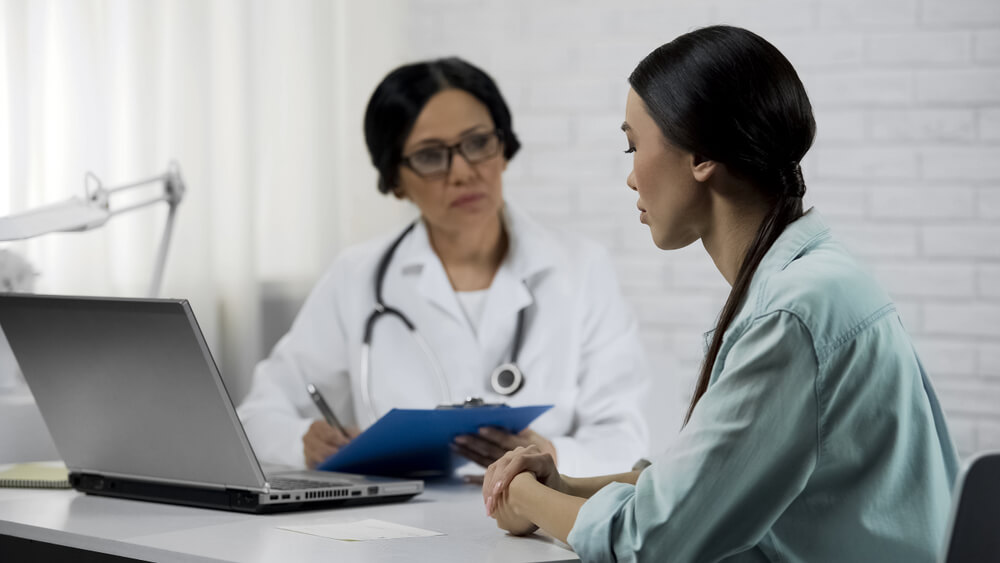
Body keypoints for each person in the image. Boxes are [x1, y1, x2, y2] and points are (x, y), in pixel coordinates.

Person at [482, 25, 959, 562]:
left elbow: (653, 541)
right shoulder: (813, 282)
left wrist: (517, 490)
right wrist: (562, 485)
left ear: (703, 155)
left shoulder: (794, 312)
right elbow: (696, 490)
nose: (631, 178)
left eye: (633, 145)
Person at [237, 57, 649, 477]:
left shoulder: (580, 269)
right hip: (394, 531)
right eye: (431, 156)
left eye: (477, 143)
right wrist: (300, 440)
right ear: (395, 179)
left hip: (536, 525)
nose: (462, 172)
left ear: (503, 148)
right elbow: (256, 416)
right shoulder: (357, 276)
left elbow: (623, 436)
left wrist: (551, 455)